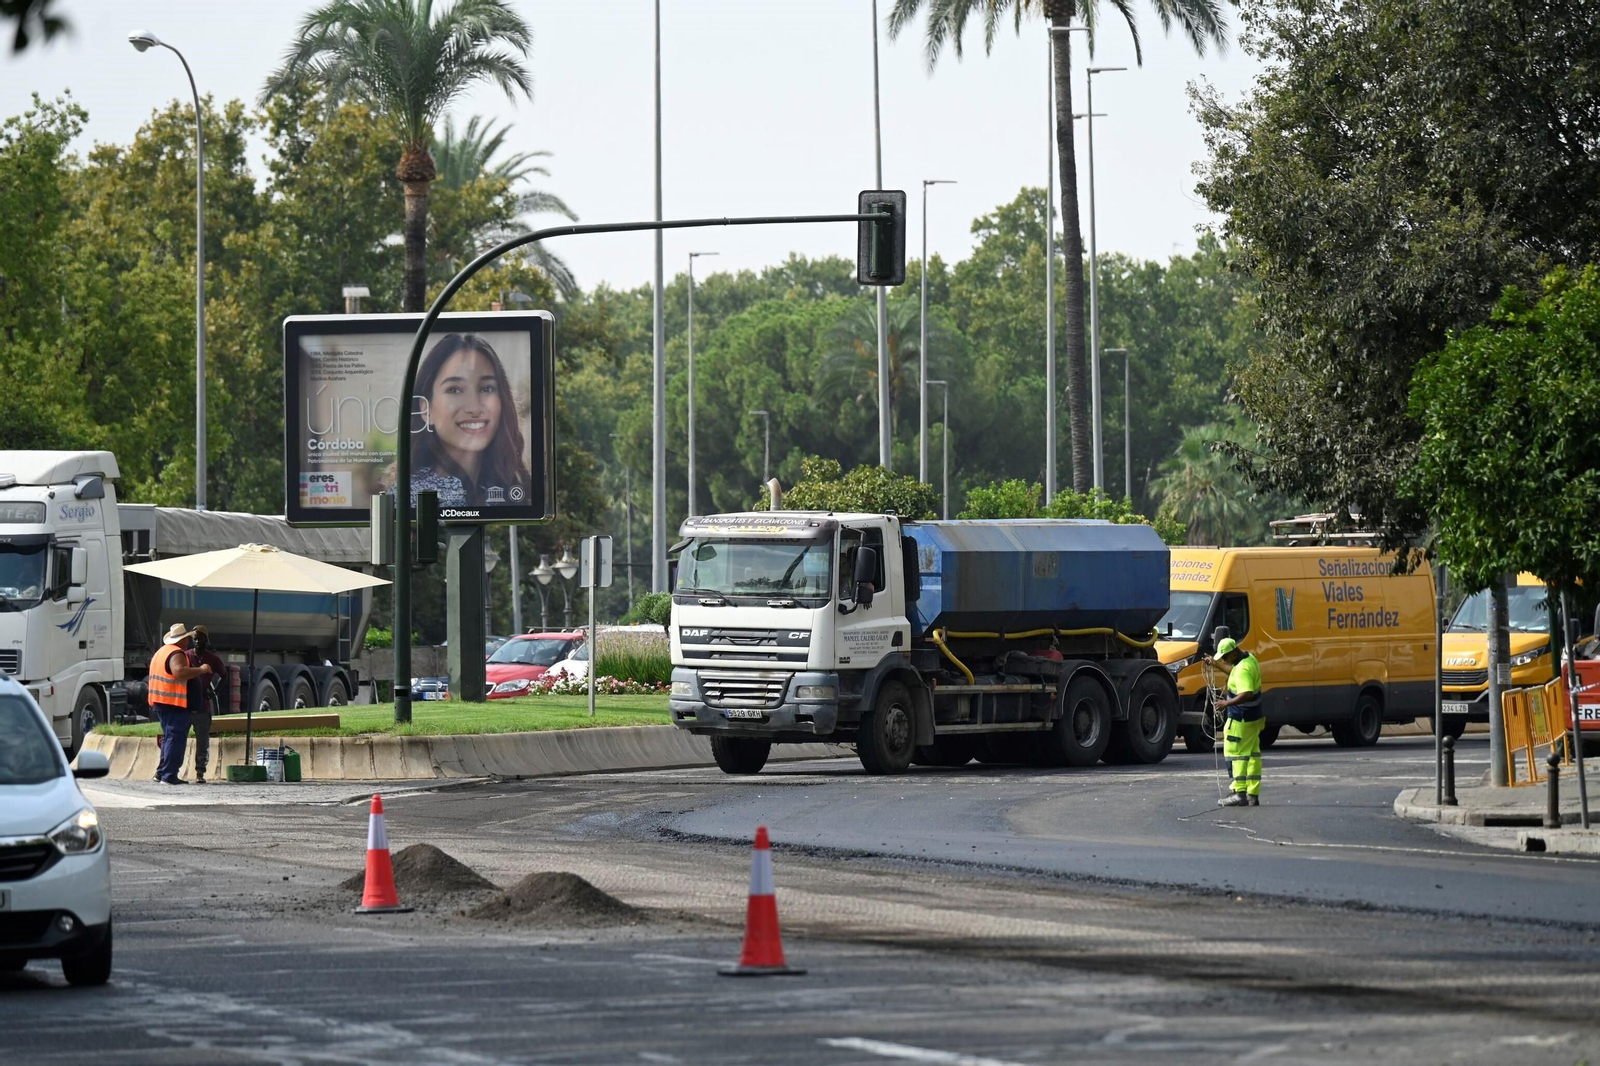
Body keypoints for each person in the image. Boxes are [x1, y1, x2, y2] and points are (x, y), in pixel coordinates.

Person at [396, 333, 530, 508]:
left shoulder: (505, 488)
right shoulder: (410, 498)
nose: (474, 407)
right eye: (454, 390)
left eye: (486, 388)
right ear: (425, 409)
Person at [148, 623, 211, 786]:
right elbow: (180, 671)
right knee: (175, 737)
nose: (189, 641)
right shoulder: (177, 653)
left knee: (169, 737)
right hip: (172, 702)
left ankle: (162, 772)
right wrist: (201, 669)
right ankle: (169, 776)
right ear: (182, 639)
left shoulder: (162, 652)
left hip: (160, 701)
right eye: (187, 638)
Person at [1206, 637, 1264, 807]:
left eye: (1224, 657)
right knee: (1252, 755)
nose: (1223, 660)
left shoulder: (1243, 670)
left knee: (1236, 754)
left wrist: (1226, 703)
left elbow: (1247, 693)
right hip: (1254, 718)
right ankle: (1253, 794)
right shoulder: (1249, 659)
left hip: (1241, 719)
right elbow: (1234, 671)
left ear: (1232, 653)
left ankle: (1239, 794)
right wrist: (1215, 663)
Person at [186, 625, 228, 784]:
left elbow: (224, 675)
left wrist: (215, 691)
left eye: (199, 638)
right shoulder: (186, 656)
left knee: (202, 742)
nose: (197, 641)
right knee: (179, 739)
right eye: (194, 638)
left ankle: (200, 773)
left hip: (203, 706)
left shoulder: (213, 659)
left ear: (206, 640)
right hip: (186, 706)